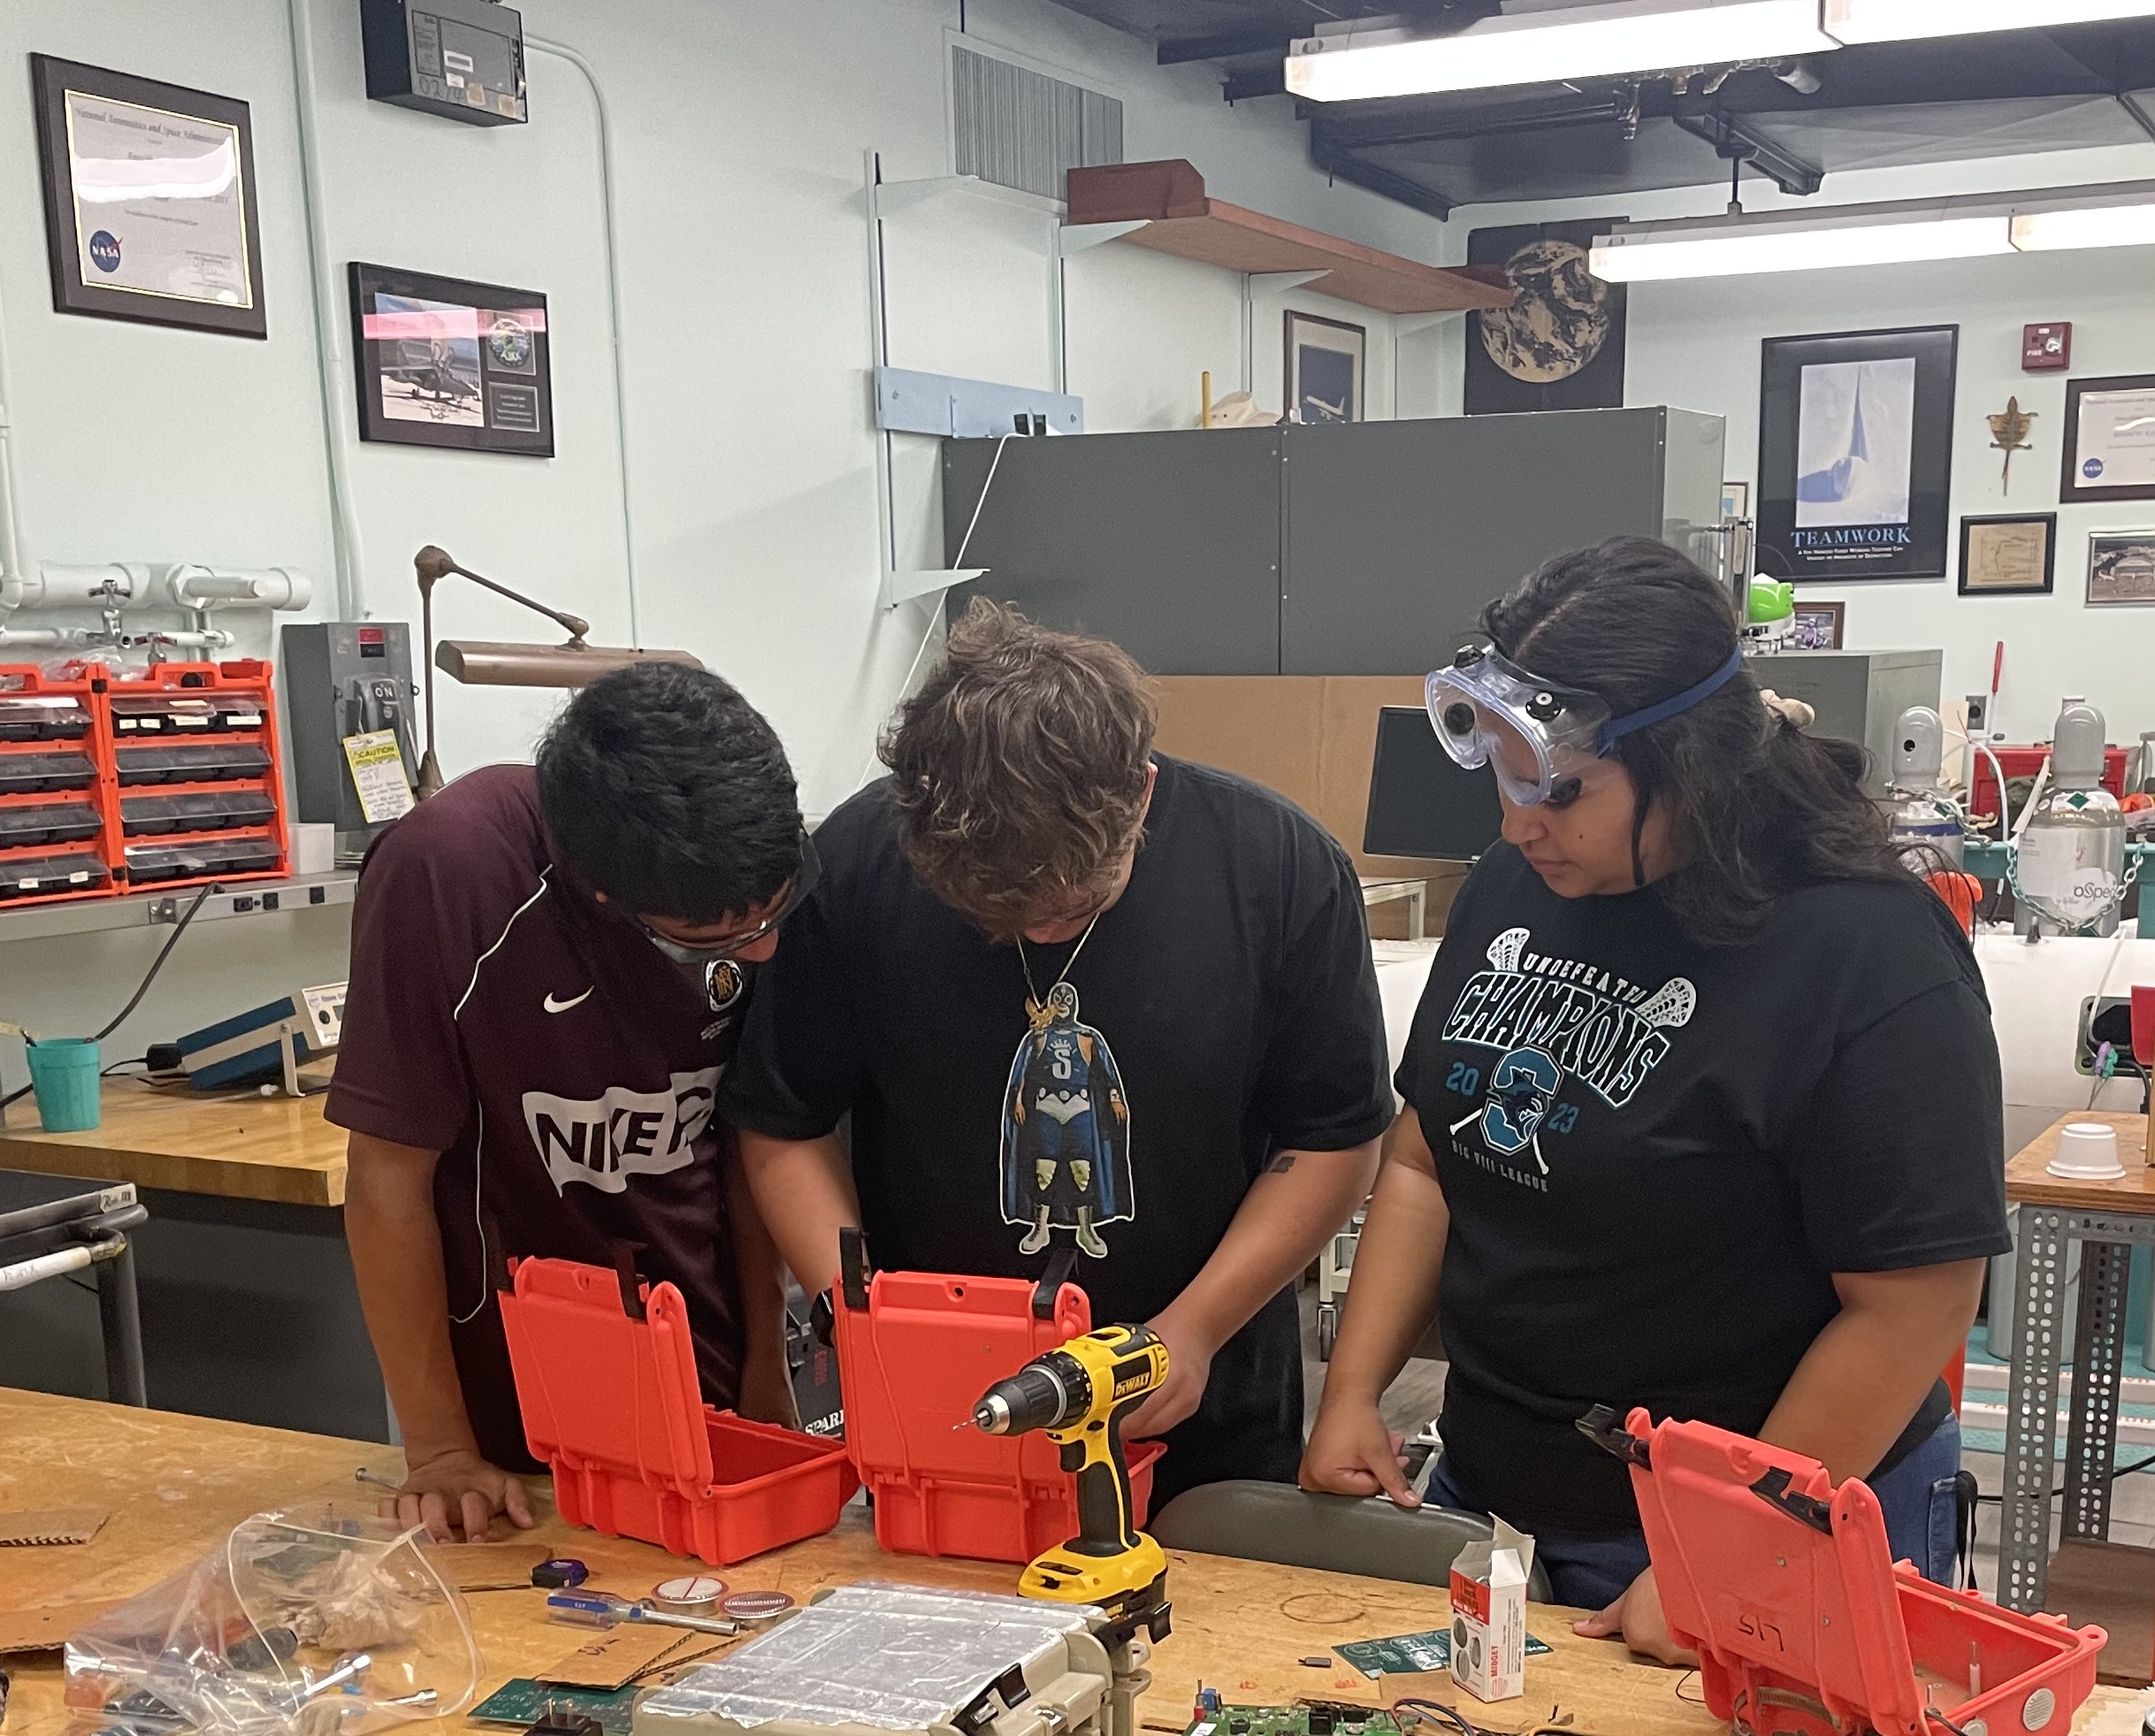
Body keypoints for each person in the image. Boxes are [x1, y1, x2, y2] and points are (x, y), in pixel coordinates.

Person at [1300, 537, 2007, 1665]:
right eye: (1503, 775)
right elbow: (1430, 1160)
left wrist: (1729, 1556)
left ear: (1686, 760)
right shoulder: (1520, 886)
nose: (1516, 821)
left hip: (1778, 1514)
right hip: (1500, 1509)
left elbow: (1912, 1304)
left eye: (1558, 789)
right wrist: (1350, 1390)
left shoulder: (1864, 950)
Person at [724, 604, 1392, 1503]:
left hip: (1199, 1410)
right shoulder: (854, 862)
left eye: (1070, 904)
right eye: (991, 917)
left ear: (1141, 792)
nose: (1037, 929)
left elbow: (1335, 1140)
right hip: (941, 1407)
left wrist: (1191, 1331)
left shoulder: (1279, 868)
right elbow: (783, 1124)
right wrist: (863, 1317)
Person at [329, 664, 806, 1543]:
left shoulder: (741, 866)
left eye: (775, 914)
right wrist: (437, 1452)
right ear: (602, 895)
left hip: (707, 1368)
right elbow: (386, 1181)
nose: (765, 949)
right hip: (514, 1418)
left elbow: (747, 1141)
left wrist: (765, 1370)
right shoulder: (452, 872)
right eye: (717, 942)